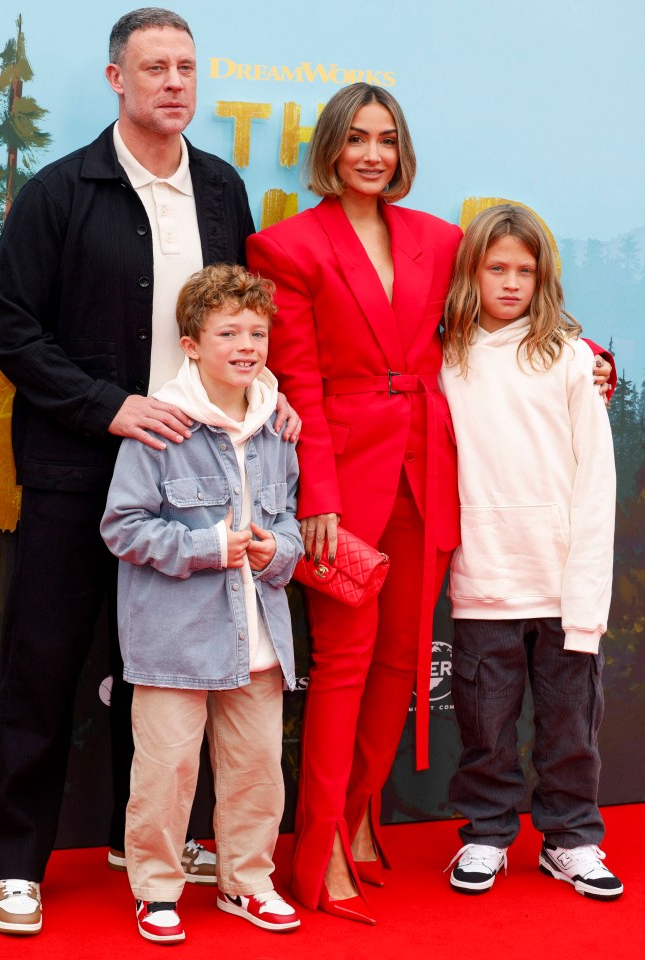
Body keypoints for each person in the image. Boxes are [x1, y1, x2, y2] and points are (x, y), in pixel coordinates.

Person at [246, 83, 615, 924]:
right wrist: (319, 496)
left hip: (428, 473)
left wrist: (594, 360)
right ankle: (318, 850)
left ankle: (359, 818)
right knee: (344, 662)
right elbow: (296, 377)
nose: (372, 154)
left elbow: (495, 316)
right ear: (332, 149)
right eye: (356, 139)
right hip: (339, 485)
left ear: (402, 151)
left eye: (386, 139)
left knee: (399, 667)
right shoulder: (286, 247)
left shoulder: (441, 238)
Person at [0, 7, 298, 937]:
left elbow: (239, 318)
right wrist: (105, 405)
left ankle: (141, 848)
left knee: (161, 670)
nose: (174, 83)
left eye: (187, 68)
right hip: (78, 473)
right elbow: (9, 327)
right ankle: (16, 864)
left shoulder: (222, 189)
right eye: (154, 67)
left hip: (197, 483)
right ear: (116, 79)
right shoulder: (60, 191)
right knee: (43, 668)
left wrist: (270, 389)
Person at [100, 264, 303, 943]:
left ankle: (247, 882)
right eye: (228, 333)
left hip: (260, 638)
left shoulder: (278, 425)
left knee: (256, 771)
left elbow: (294, 527)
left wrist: (276, 551)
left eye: (257, 331)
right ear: (191, 344)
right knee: (164, 771)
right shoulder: (162, 425)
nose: (247, 345)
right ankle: (156, 890)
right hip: (174, 640)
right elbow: (123, 528)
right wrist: (212, 545)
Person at [440, 204, 622, 901]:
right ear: (472, 273)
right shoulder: (447, 357)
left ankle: (572, 840)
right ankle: (486, 834)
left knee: (570, 728)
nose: (511, 283)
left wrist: (586, 596)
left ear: (543, 278)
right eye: (496, 268)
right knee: (486, 726)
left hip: (561, 582)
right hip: (485, 575)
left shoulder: (574, 362)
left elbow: (596, 483)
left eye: (525, 270)